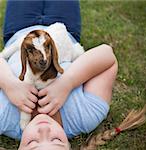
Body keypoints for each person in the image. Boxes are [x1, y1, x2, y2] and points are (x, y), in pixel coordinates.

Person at [0, 1, 118, 150]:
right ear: (68, 145)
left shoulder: (4, 119)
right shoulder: (83, 117)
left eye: (32, 143)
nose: (44, 130)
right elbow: (106, 54)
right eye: (56, 140)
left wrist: (9, 84)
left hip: (20, 28)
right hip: (64, 27)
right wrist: (67, 83)